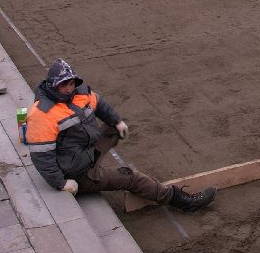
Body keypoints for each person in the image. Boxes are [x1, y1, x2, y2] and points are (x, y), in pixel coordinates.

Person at [25, 59, 214, 212]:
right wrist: (61, 183)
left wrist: (116, 121)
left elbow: (100, 105)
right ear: (52, 86)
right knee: (130, 177)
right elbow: (42, 157)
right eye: (63, 85)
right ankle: (181, 200)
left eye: (71, 83)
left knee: (114, 129)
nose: (68, 88)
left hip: (84, 152)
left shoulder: (79, 93)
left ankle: (95, 160)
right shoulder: (43, 113)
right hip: (75, 172)